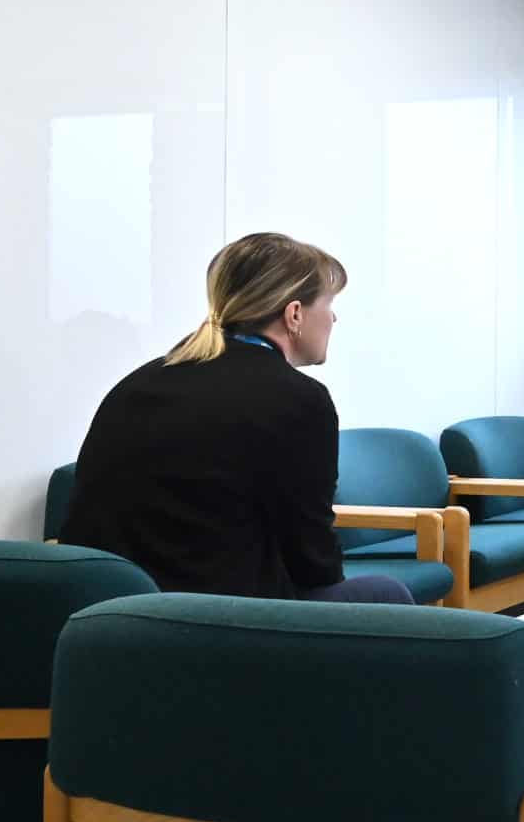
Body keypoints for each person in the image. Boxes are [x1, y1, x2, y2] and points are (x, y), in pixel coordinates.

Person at [60, 232, 413, 605]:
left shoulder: (140, 381)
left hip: (110, 612)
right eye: (329, 304)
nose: (334, 318)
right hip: (221, 619)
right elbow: (313, 561)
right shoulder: (299, 399)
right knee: (387, 595)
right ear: (294, 314)